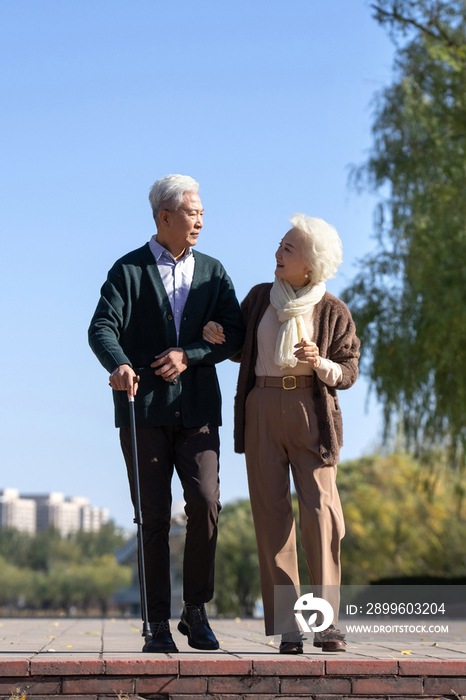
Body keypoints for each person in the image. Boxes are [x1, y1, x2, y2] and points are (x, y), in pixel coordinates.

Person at [88, 174, 244, 653]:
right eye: (191, 212)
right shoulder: (127, 271)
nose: (200, 219)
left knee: (205, 504)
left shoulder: (215, 273)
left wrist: (191, 353)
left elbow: (236, 337)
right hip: (143, 413)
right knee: (152, 518)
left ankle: (195, 612)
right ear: (164, 217)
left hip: (198, 414)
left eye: (201, 212)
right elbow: (101, 327)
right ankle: (156, 624)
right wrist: (118, 364)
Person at [203, 214, 359, 653]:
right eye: (279, 245)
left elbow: (348, 370)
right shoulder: (258, 299)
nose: (277, 253)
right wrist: (216, 334)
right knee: (271, 516)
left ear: (310, 263)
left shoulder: (332, 310)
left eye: (288, 249)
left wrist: (321, 362)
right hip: (262, 409)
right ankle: (291, 627)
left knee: (321, 513)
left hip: (312, 408)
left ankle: (326, 623)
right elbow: (239, 344)